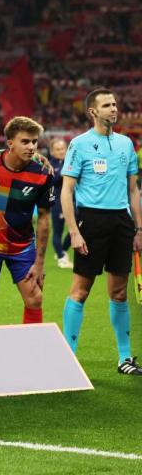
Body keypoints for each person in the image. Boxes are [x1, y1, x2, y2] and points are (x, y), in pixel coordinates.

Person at [60, 88, 142, 375]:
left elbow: (133, 190)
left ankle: (125, 358)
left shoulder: (126, 145)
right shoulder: (79, 144)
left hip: (121, 221)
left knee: (119, 293)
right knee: (80, 291)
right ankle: (68, 357)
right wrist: (74, 231)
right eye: (107, 105)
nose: (113, 109)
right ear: (93, 111)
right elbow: (66, 191)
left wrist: (138, 228)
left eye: (115, 104)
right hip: (91, 223)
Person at [0, 117, 53, 326]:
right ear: (10, 143)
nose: (31, 147)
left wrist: (40, 262)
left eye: (34, 142)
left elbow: (45, 218)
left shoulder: (43, 173)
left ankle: (32, 353)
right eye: (25, 141)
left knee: (35, 298)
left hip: (22, 247)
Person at [48, 138, 73, 269]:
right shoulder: (50, 165)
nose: (61, 151)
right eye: (58, 149)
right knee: (57, 230)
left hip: (72, 200)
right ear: (52, 151)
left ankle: (62, 250)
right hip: (57, 201)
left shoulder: (71, 162)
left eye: (63, 148)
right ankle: (62, 258)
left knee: (78, 225)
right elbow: (50, 183)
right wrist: (61, 174)